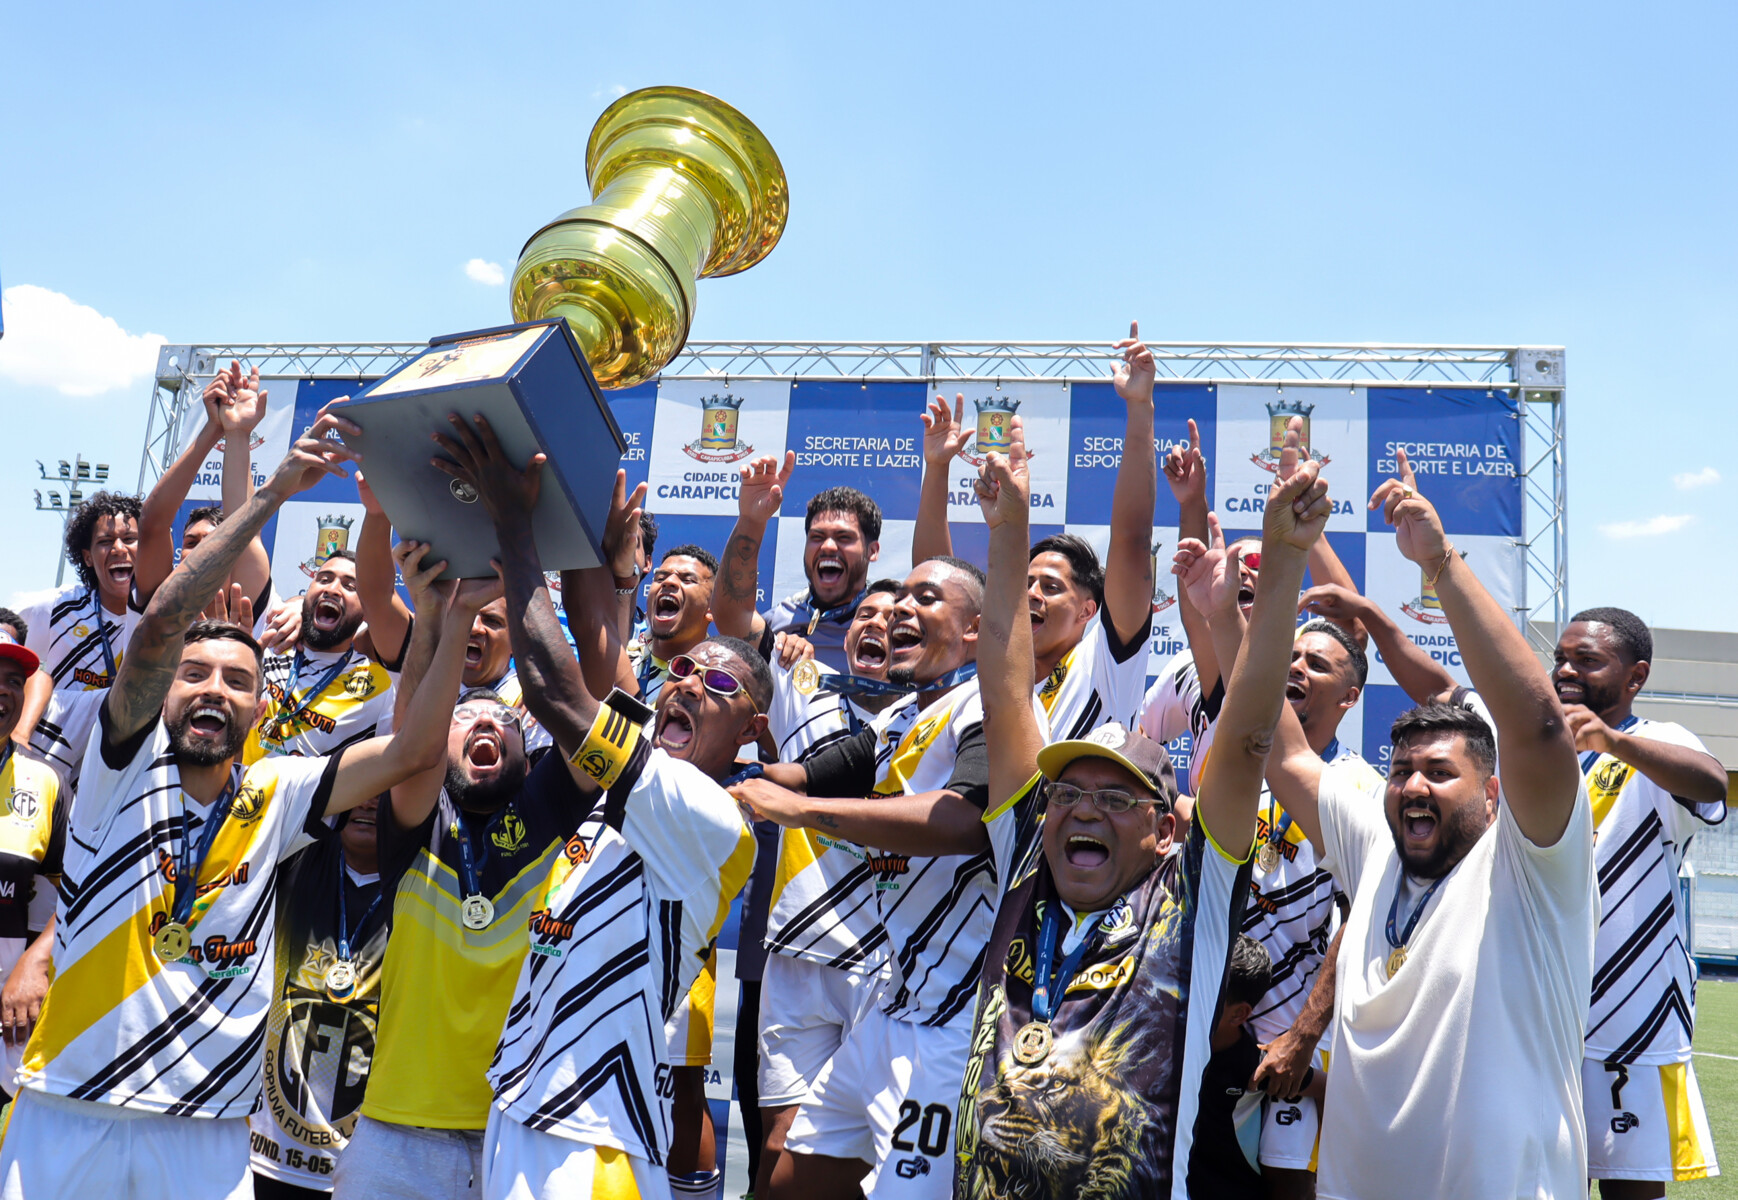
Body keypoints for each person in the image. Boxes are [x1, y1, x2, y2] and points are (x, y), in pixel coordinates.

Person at [0, 405, 476, 1200]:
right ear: (162, 691)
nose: (214, 689)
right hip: (70, 1106)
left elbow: (413, 751)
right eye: (194, 675)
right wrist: (274, 489)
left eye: (237, 680)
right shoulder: (122, 763)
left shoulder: (278, 789)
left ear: (261, 709)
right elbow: (160, 621)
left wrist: (444, 617)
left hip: (210, 1130)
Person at [952, 418, 1332, 1199]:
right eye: (1068, 793)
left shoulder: (1192, 900)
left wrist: (1285, 559)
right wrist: (1008, 532)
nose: (1081, 811)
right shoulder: (1026, 858)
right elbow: (1005, 690)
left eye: (1114, 797)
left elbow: (1249, 735)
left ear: (1164, 830)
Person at [408, 414, 760, 1200]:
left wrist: (515, 523)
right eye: (683, 672)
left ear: (752, 732)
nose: (689, 685)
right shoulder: (620, 787)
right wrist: (589, 553)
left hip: (592, 1141)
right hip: (522, 1107)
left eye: (720, 684)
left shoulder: (710, 823)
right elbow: (605, 671)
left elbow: (559, 693)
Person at [1263, 449, 1595, 1198]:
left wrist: (1438, 563)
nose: (1414, 785)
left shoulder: (1535, 870)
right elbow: (1281, 752)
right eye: (1402, 769)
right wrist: (1260, 592)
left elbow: (1541, 725)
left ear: (1494, 792)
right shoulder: (1378, 848)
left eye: (1440, 772)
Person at [733, 548, 1048, 1199]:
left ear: (975, 629)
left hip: (955, 1024)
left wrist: (801, 812)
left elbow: (963, 818)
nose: (902, 607)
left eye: (925, 598)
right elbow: (801, 775)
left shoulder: (989, 709)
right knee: (788, 1182)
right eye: (900, 595)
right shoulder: (898, 719)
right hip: (890, 1006)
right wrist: (705, 768)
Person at [1551, 606, 1725, 1194]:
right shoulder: (1537, 749)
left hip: (1632, 1011)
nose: (1565, 670)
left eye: (1586, 660)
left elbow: (1712, 783)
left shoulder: (1656, 740)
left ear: (1636, 676)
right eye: (1560, 658)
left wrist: (1612, 741)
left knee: (1630, 1187)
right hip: (1542, 1004)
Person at [752, 580, 911, 1199]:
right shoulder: (804, 685)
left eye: (893, 618)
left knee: (875, 1158)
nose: (876, 624)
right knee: (780, 1147)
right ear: (845, 636)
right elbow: (734, 612)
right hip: (798, 950)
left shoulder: (934, 718)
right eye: (865, 614)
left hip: (889, 967)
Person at [248, 793, 392, 1198]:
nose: (368, 802)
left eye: (386, 791)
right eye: (363, 787)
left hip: (361, 1170)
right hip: (262, 1154)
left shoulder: (424, 882)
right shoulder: (295, 856)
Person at [714, 461, 883, 673]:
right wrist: (751, 520)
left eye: (843, 537)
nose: (827, 546)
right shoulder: (780, 622)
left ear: (872, 551)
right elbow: (732, 616)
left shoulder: (890, 624)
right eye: (817, 537)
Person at [240, 549, 397, 765]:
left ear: (367, 610)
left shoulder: (382, 688)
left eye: (350, 586)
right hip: (233, 783)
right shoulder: (269, 631)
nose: (332, 589)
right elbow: (248, 547)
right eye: (324, 579)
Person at [0, 621, 64, 1098]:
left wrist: (33, 966)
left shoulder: (45, 783)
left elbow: (65, 898)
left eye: (13, 681)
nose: (4, 690)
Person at [1193, 936, 1287, 1200]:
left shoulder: (1256, 1066)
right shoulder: (1171, 1046)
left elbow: (1327, 1088)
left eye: (1208, 989)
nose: (1194, 996)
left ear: (1238, 1014)